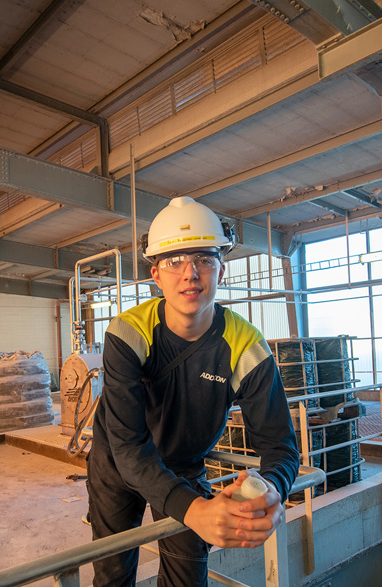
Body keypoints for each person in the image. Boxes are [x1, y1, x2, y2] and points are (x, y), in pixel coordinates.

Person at [86, 196, 300, 586]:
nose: (190, 273)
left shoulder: (245, 346)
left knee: (187, 574)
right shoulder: (128, 334)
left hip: (182, 466)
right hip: (117, 467)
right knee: (113, 571)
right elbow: (128, 446)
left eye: (204, 257)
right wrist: (194, 510)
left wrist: (271, 486)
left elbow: (280, 444)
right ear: (156, 274)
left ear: (221, 268)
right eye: (173, 261)